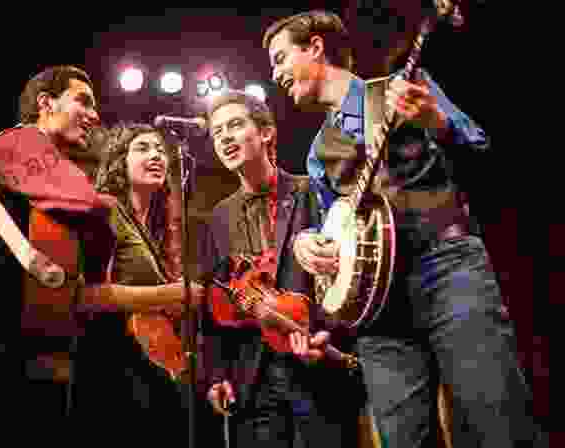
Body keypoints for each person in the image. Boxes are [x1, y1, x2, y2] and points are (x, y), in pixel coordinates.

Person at [262, 9, 545, 448]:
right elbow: (334, 234)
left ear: (315, 47)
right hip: (379, 309)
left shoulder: (406, 88)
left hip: (448, 269)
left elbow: (486, 156)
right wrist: (308, 244)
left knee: (498, 423)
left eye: (280, 59)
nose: (275, 74)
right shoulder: (318, 153)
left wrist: (435, 120)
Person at [0, 65, 200, 447]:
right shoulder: (21, 140)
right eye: (82, 101)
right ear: (45, 104)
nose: (95, 115)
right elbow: (81, 200)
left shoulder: (25, 163)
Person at [197, 89, 360, 448]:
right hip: (252, 376)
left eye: (235, 125)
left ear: (266, 132)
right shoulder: (218, 219)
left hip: (316, 364)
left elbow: (346, 272)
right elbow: (214, 306)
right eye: (216, 132)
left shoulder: (310, 191)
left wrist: (328, 335)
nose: (224, 136)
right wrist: (216, 374)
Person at [71, 122, 205, 446]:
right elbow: (83, 297)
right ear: (119, 159)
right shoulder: (105, 211)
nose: (157, 154)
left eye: (160, 149)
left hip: (144, 364)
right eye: (143, 148)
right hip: (109, 367)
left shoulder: (155, 228)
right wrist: (172, 293)